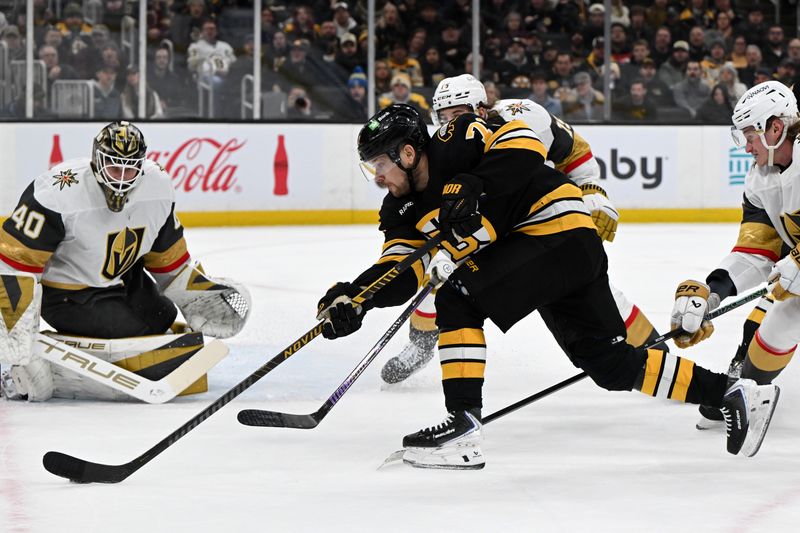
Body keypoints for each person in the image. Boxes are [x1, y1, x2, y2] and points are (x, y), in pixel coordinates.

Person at [317, 102, 778, 469]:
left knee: (457, 297)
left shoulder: (455, 139)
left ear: (408, 153)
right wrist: (356, 299)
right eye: (371, 168)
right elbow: (400, 267)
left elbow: (523, 141)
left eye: (380, 164)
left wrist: (474, 183)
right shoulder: (399, 210)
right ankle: (734, 394)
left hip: (556, 230)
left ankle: (462, 425)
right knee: (610, 364)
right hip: (554, 256)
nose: (378, 177)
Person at [382, 74, 662, 385]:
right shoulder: (442, 149)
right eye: (442, 117)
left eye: (457, 114)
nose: (449, 123)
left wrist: (591, 189)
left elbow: (574, 151)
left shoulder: (524, 116)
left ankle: (653, 350)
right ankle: (421, 346)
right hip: (489, 229)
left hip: (534, 220)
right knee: (442, 280)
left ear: (480, 109)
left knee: (590, 292)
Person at [0, 121, 250, 402]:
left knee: (162, 318)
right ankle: (44, 374)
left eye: (129, 169)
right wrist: (22, 348)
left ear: (141, 166)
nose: (121, 178)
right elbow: (14, 266)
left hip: (123, 279)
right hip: (66, 295)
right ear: (97, 162)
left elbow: (167, 258)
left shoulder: (158, 187)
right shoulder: (57, 192)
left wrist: (197, 297)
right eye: (113, 167)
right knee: (133, 333)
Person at [683, 81, 798, 430]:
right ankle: (744, 394)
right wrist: (712, 292)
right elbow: (755, 250)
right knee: (778, 320)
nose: (746, 147)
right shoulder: (760, 179)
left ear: (775, 128)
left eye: (750, 136)